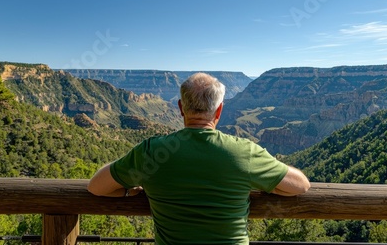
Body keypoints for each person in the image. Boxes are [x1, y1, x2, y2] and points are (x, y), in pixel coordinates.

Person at [87, 72, 310, 244]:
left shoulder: (150, 152)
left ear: (181, 108)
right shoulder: (245, 152)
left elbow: (96, 187)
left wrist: (128, 190)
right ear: (219, 110)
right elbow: (300, 185)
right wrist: (266, 184)